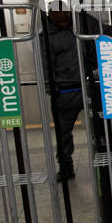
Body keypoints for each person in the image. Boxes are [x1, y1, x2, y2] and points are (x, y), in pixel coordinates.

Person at [44, 9, 84, 180]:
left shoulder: (81, 25)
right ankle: (66, 166)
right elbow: (46, 65)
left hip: (87, 85)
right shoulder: (46, 36)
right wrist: (51, 88)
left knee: (104, 127)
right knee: (63, 133)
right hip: (65, 90)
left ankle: (111, 162)